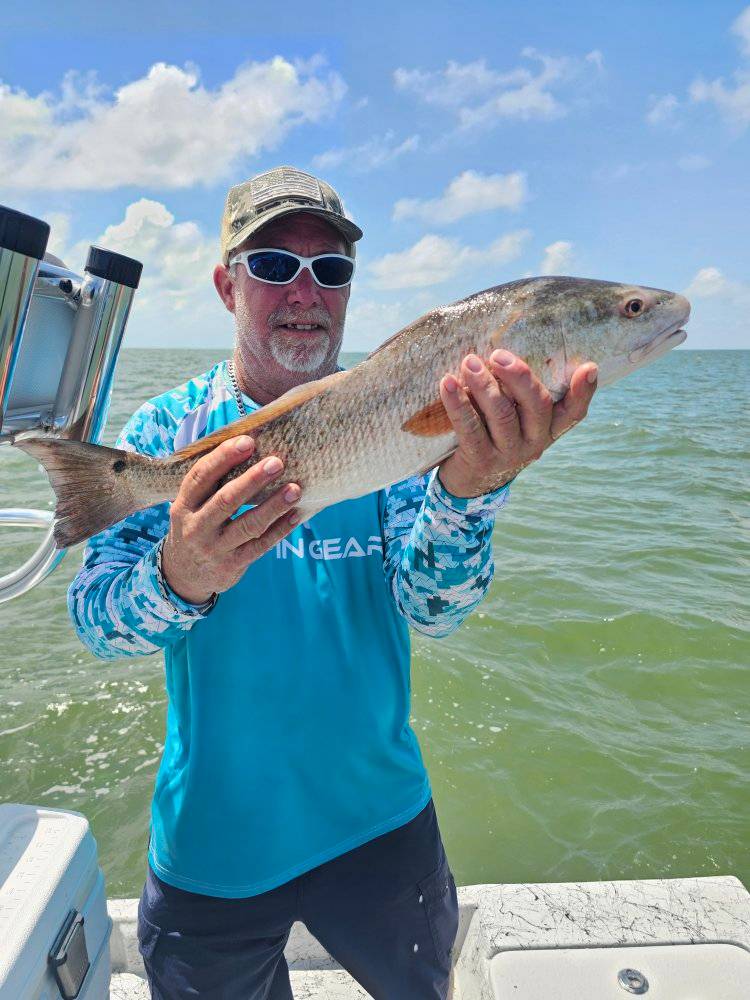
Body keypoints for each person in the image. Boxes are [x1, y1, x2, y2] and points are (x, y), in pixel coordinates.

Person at [68, 165, 597, 999]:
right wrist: (181, 575)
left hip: (380, 823)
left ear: (351, 289)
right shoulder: (168, 430)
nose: (304, 290)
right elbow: (95, 623)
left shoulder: (411, 416)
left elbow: (436, 610)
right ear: (225, 285)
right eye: (274, 264)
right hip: (215, 834)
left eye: (331, 268)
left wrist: (472, 489)